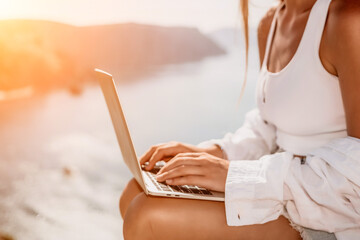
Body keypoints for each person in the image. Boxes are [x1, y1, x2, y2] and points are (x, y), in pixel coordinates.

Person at [119, 0, 360, 239]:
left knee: (146, 215)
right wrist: (215, 153)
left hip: (333, 215)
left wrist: (237, 175)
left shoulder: (347, 16)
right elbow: (269, 124)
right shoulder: (270, 23)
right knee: (134, 191)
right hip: (281, 188)